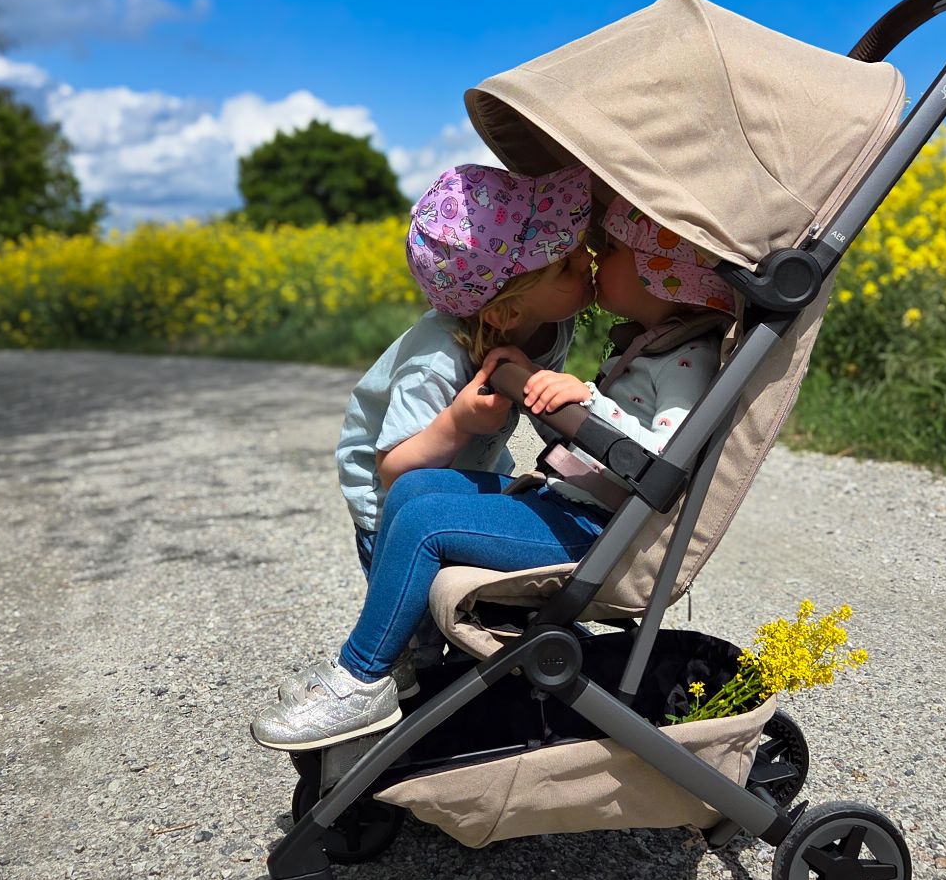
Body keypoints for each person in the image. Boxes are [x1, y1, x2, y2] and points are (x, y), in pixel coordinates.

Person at [251, 195, 735, 750]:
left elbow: (660, 459)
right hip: (576, 506)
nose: (597, 256)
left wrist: (588, 402)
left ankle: (361, 677)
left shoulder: (687, 361)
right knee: (413, 488)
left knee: (427, 523)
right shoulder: (654, 348)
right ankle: (398, 659)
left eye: (615, 251)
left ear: (663, 279)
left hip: (604, 532)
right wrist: (541, 389)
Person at [285, 162, 592, 707]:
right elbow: (394, 469)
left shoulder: (551, 319)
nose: (585, 259)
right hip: (391, 499)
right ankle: (405, 685)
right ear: (507, 311)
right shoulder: (436, 362)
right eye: (565, 262)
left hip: (467, 472)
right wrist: (458, 422)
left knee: (464, 601)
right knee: (417, 633)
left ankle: (469, 685)